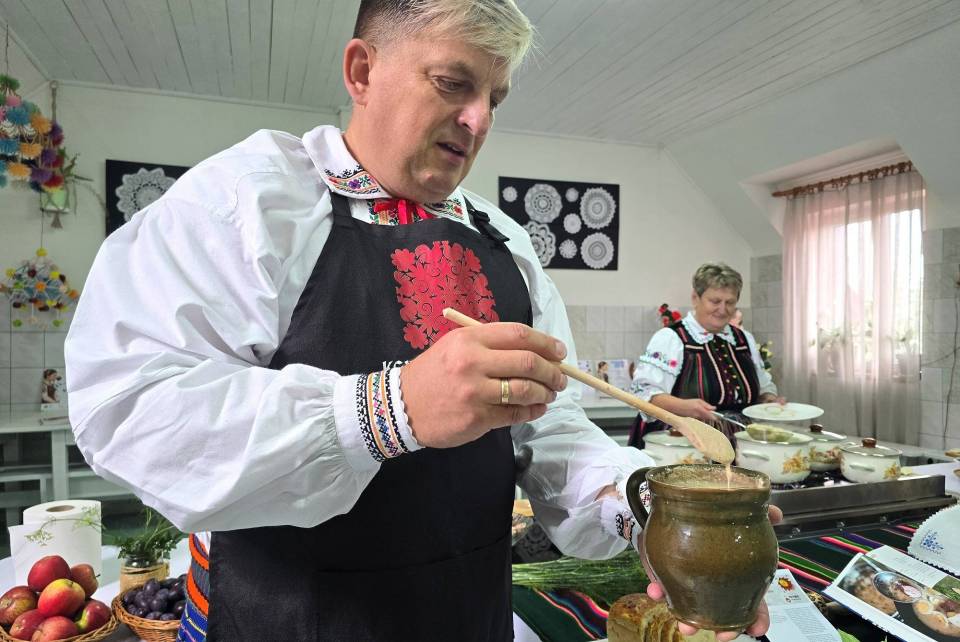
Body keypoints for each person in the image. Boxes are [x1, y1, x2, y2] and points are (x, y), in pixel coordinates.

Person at [65, 3, 774, 640]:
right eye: (453, 83)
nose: (480, 120)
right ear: (362, 71)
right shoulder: (250, 203)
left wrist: (645, 507)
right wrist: (389, 409)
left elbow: (551, 431)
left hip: (470, 614)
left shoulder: (505, 243)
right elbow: (127, 409)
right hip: (289, 619)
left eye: (494, 98)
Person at [629, 262, 784, 448]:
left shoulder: (744, 340)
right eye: (715, 301)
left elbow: (762, 386)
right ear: (696, 298)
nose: (723, 309)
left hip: (739, 446)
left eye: (730, 302)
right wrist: (684, 407)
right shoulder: (671, 338)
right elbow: (643, 393)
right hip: (684, 445)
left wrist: (768, 400)